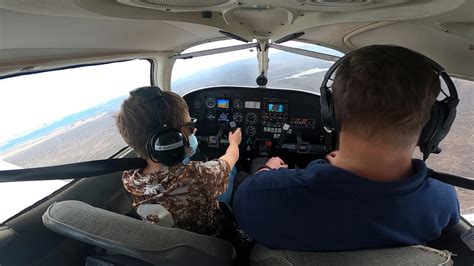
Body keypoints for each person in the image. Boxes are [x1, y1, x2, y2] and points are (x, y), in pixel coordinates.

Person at [232, 45, 460, 251]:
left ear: (331, 113)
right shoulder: (442, 203)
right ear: (434, 126)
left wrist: (269, 169)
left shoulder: (261, 196)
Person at [116, 86, 242, 236]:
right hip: (210, 242)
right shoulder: (199, 174)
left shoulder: (129, 177)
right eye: (189, 126)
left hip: (171, 240)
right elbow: (231, 158)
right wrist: (234, 142)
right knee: (232, 171)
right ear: (168, 140)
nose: (194, 130)